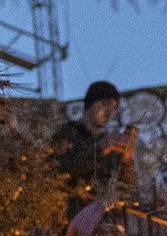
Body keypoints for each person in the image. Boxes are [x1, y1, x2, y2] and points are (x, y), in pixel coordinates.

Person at [47, 78, 140, 218]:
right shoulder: (66, 135)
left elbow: (130, 190)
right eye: (105, 104)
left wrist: (127, 160)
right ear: (90, 104)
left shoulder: (110, 145)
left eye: (114, 107)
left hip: (102, 223)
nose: (109, 112)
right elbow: (62, 173)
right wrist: (99, 149)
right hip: (70, 221)